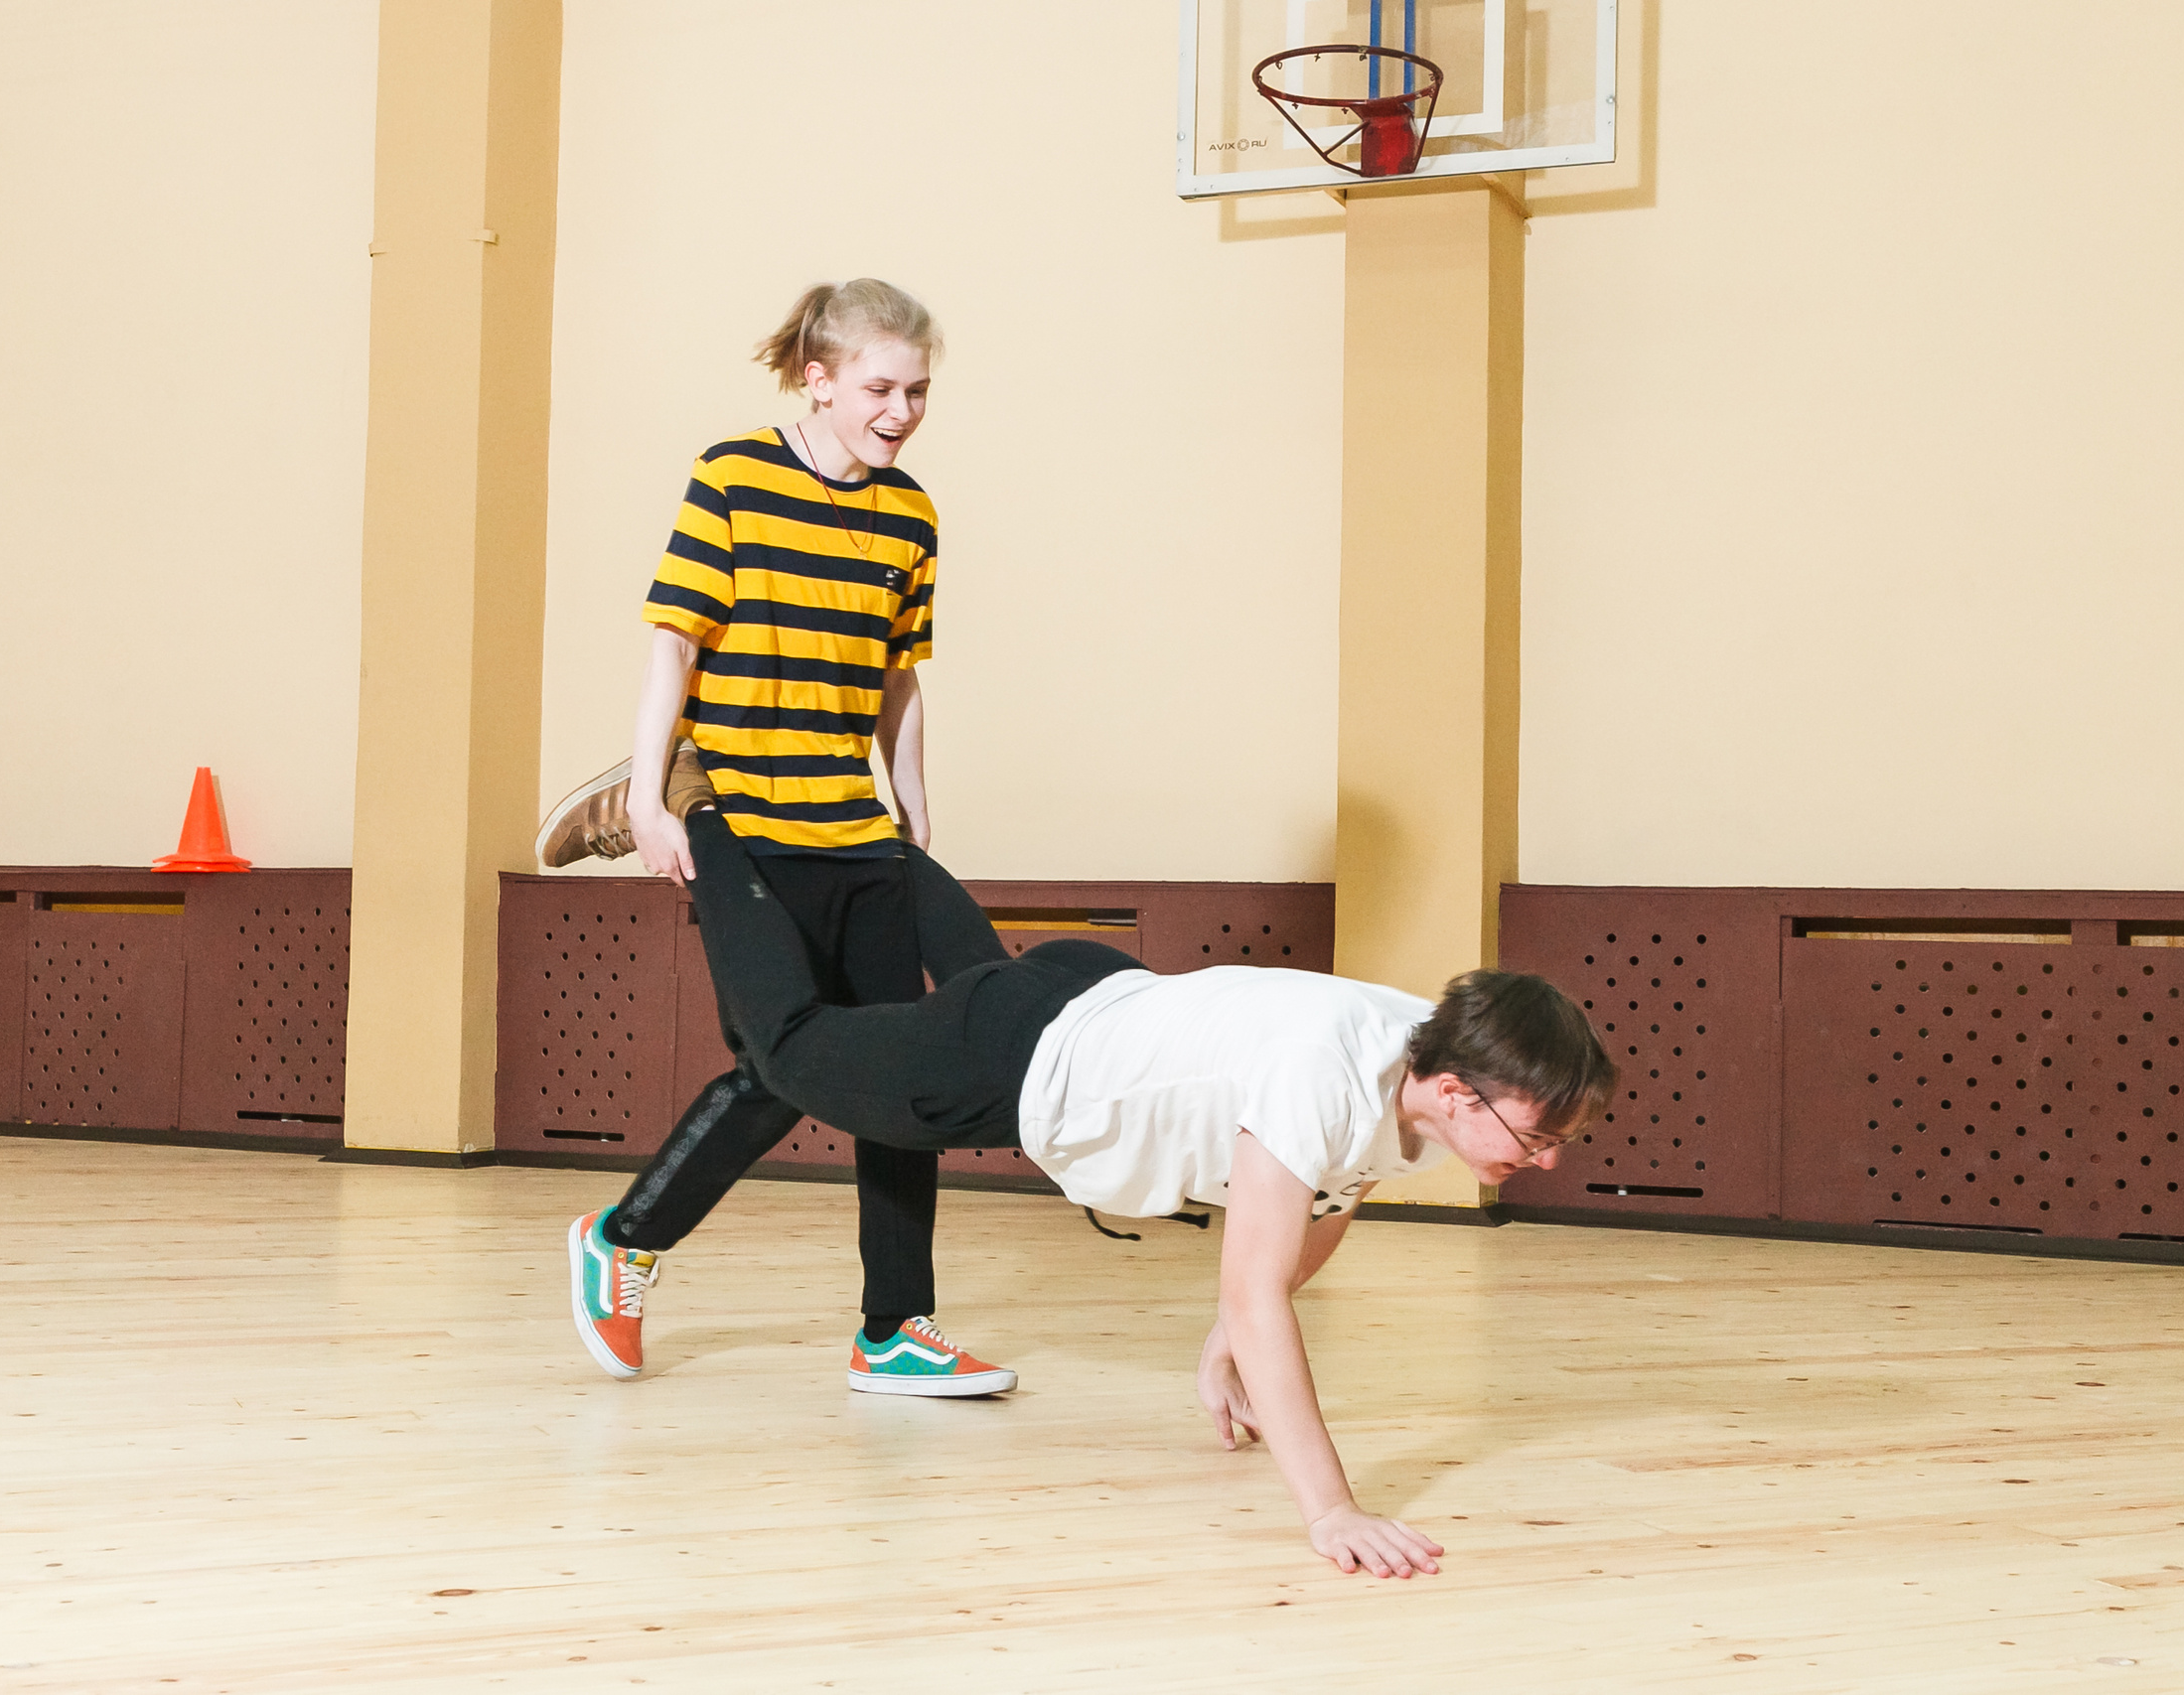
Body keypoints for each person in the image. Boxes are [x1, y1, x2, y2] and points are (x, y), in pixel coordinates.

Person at [573, 832, 1619, 1578]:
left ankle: (872, 840)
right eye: (1537, 1136)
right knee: (789, 1050)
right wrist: (1330, 1507)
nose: (1544, 1159)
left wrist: (1223, 1343)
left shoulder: (1424, 1049)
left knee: (910, 1038)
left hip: (1095, 995)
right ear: (1452, 1091)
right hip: (1015, 1059)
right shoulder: (1327, 1075)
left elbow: (1331, 1191)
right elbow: (1262, 1286)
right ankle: (697, 824)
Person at [550, 278, 1018, 1395]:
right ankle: (624, 1241)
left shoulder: (911, 515)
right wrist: (659, 804)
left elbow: (898, 678)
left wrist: (912, 807)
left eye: (917, 391)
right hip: (740, 820)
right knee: (786, 1060)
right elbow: (675, 642)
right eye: (879, 387)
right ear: (818, 377)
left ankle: (893, 1327)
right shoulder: (734, 476)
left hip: (852, 828)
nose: (901, 410)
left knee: (895, 1065)